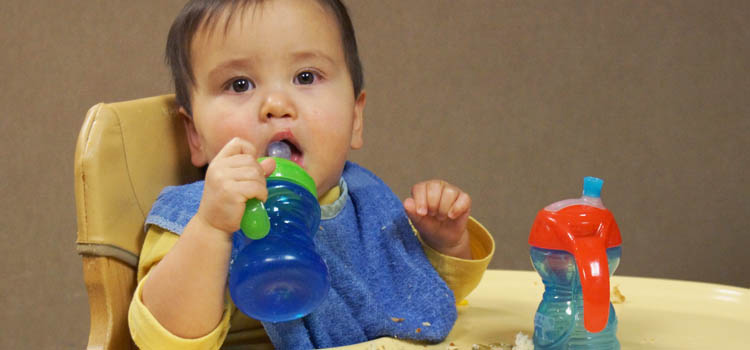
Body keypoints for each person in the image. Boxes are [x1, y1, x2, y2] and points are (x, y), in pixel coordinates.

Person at [128, 0, 495, 349]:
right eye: (239, 84)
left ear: (355, 118)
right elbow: (165, 337)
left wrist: (443, 245)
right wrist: (210, 229)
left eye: (306, 77)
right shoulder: (194, 214)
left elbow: (424, 303)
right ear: (196, 136)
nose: (276, 106)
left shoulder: (365, 202)